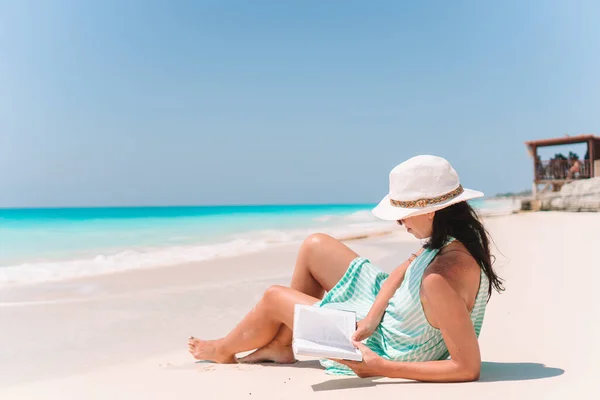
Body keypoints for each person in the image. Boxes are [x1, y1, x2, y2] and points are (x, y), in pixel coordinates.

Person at [188, 155, 504, 382]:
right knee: (314, 245)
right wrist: (373, 313)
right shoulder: (454, 241)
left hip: (387, 345)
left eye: (402, 213)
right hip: (386, 317)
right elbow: (406, 267)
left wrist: (377, 367)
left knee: (274, 297)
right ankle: (282, 345)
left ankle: (221, 349)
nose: (399, 221)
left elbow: (466, 368)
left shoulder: (441, 277)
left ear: (431, 211)